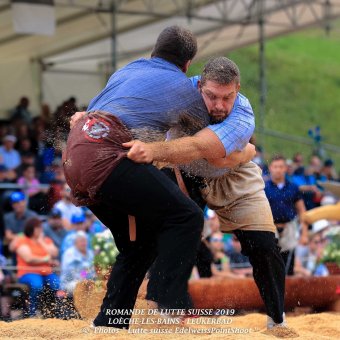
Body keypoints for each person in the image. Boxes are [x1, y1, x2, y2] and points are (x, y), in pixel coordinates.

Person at [65, 27, 253, 329]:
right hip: (108, 157)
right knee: (188, 217)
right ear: (188, 64)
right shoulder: (184, 90)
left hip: (74, 156)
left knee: (139, 243)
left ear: (156, 50)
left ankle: (109, 323)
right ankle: (167, 302)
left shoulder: (129, 69)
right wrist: (247, 151)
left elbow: (96, 112)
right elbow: (209, 149)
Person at [125, 57, 289, 330]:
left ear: (238, 89)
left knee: (264, 245)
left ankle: (277, 320)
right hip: (182, 170)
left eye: (227, 98)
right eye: (211, 96)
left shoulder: (243, 112)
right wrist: (94, 115)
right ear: (199, 85)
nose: (219, 105)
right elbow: (134, 106)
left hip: (233, 173)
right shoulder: (177, 92)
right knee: (168, 233)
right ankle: (163, 311)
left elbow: (213, 155)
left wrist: (154, 150)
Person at [264, 155, 309, 275]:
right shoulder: (263, 187)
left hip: (289, 227)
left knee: (288, 264)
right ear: (270, 168)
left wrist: (304, 233)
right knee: (270, 263)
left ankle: (287, 291)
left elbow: (302, 211)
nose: (278, 169)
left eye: (281, 166)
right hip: (270, 227)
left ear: (285, 168)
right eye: (275, 166)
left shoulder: (293, 188)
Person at [10, 217, 59, 317]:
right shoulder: (23, 240)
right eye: (38, 227)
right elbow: (28, 258)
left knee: (56, 284)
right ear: (31, 228)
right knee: (37, 285)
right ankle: (32, 312)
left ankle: (51, 311)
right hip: (28, 272)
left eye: (41, 227)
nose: (41, 229)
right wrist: (45, 259)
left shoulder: (46, 240)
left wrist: (41, 242)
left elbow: (54, 253)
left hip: (46, 272)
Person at [60, 230, 95, 295]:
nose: (83, 243)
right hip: (70, 282)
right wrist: (84, 276)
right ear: (75, 243)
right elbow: (71, 273)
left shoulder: (90, 253)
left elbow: (92, 270)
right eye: (81, 241)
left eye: (85, 241)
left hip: (87, 281)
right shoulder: (69, 253)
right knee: (81, 286)